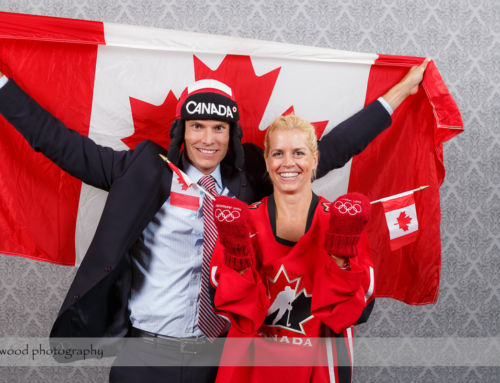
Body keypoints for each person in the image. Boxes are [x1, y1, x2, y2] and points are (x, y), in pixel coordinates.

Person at [0, 58, 428, 383]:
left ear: (233, 134)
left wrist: (400, 94)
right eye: (197, 126)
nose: (208, 138)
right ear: (181, 130)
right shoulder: (142, 171)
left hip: (221, 359)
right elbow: (54, 141)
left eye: (219, 128)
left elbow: (328, 151)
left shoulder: (253, 177)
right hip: (146, 356)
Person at [210, 115, 374, 382]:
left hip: (317, 366)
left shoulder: (343, 221)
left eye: (298, 152)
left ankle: (339, 256)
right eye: (278, 153)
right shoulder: (241, 223)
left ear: (315, 159)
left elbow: (357, 311)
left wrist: (341, 257)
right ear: (266, 161)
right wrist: (238, 261)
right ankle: (240, 262)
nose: (288, 163)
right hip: (249, 369)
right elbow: (225, 307)